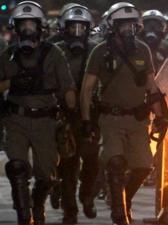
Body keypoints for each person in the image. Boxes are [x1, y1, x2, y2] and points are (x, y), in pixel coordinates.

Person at [80, 3, 168, 225]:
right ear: (112, 27)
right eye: (123, 26)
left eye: (132, 26)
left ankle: (122, 197)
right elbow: (86, 89)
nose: (129, 30)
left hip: (138, 119)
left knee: (143, 167)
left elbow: (152, 87)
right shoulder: (100, 52)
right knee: (117, 163)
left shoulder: (143, 50)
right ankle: (120, 215)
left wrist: (160, 117)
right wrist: (86, 120)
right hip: (111, 118)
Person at [0, 1, 76, 225]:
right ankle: (25, 217)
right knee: (17, 167)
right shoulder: (8, 56)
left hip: (46, 120)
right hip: (17, 118)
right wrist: (13, 82)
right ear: (16, 28)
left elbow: (68, 88)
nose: (27, 30)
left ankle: (37, 202)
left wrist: (72, 116)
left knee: (46, 175)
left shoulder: (54, 54)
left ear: (40, 27)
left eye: (31, 25)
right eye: (22, 26)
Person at [52, 4, 99, 224]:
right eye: (73, 28)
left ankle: (87, 196)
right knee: (67, 166)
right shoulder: (54, 50)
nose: (77, 33)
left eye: (82, 28)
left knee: (92, 160)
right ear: (64, 28)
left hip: (89, 115)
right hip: (64, 115)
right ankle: (69, 211)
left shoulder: (97, 50)